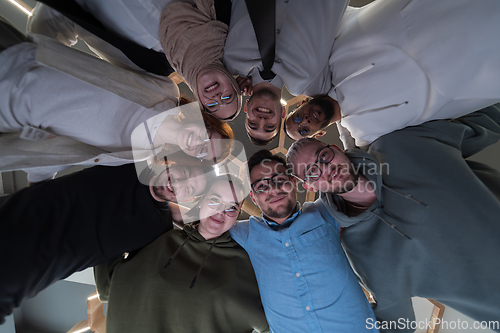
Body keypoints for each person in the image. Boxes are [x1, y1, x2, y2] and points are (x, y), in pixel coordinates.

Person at [286, 105, 500, 332]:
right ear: (309, 185)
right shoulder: (359, 248)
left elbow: (488, 123)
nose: (326, 168)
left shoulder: (398, 145)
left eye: (324, 156)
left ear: (337, 148)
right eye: (312, 172)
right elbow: (398, 323)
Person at [0, 17, 232, 182]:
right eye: (209, 136)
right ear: (206, 121)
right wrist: (42, 47)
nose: (199, 143)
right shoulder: (163, 88)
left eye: (203, 152)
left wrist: (38, 182)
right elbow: (97, 33)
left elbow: (66, 152)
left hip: (7, 114)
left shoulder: (135, 158)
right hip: (13, 52)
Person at [0, 159, 213, 324]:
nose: (179, 185)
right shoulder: (130, 159)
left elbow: (107, 288)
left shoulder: (159, 231)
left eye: (189, 190)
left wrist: (101, 249)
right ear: (172, 161)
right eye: (184, 174)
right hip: (10, 216)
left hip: (17, 279)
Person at [287, 0, 500, 146]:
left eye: (297, 118)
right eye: (304, 130)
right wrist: (345, 136)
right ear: (319, 134)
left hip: (437, 14)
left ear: (300, 104)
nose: (304, 121)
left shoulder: (332, 56)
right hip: (469, 66)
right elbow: (358, 163)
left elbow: (312, 18)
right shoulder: (365, 135)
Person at [94, 175, 270, 333]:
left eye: (232, 207)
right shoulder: (163, 239)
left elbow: (275, 323)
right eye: (215, 200)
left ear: (238, 215)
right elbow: (109, 284)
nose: (221, 211)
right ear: (200, 202)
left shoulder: (245, 261)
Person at [229, 150, 377, 333]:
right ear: (253, 197)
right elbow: (193, 223)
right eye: (261, 186)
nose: (273, 189)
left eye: (280, 180)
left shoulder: (325, 212)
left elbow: (363, 180)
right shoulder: (242, 234)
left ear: (293, 183)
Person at [28, 0, 243, 122]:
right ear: (232, 80)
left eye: (213, 105)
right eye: (228, 96)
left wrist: (35, 81)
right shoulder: (220, 14)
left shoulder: (146, 65)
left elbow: (59, 21)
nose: (217, 96)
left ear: (200, 102)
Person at [222, 0, 349, 144]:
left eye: (253, 124)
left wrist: (226, 81)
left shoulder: (229, 61)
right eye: (270, 126)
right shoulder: (312, 84)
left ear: (245, 107)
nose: (262, 120)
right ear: (283, 113)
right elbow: (346, 104)